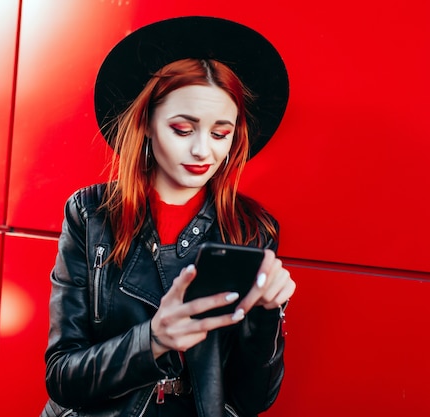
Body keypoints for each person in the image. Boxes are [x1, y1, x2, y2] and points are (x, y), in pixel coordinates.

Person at [40, 16, 296, 417]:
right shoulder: (90, 215)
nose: (202, 151)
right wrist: (154, 339)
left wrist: (267, 314)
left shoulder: (252, 232)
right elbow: (62, 377)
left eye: (220, 133)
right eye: (182, 129)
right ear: (147, 124)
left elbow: (252, 400)